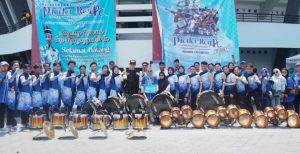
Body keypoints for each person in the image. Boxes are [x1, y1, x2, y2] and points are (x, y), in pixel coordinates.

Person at [6, 60, 21, 131]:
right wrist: (15, 73)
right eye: (15, 65)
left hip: (16, 92)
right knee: (11, 108)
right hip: (10, 92)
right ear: (12, 66)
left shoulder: (18, 74)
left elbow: (18, 84)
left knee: (14, 108)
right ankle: (13, 124)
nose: (16, 66)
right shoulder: (9, 72)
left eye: (18, 65)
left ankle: (9, 124)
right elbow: (10, 80)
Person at [17, 64, 32, 129]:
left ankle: (27, 122)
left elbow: (31, 85)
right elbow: (23, 83)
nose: (28, 70)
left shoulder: (29, 75)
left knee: (27, 109)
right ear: (23, 69)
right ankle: (23, 123)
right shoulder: (22, 75)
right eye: (27, 69)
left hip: (28, 94)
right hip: (22, 94)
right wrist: (30, 79)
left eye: (29, 69)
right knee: (23, 109)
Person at [0, 61, 10, 133]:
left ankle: (2, 127)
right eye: (3, 66)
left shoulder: (6, 75)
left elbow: (5, 86)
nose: (5, 67)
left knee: (2, 113)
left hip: (4, 99)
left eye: (6, 66)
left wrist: (10, 89)